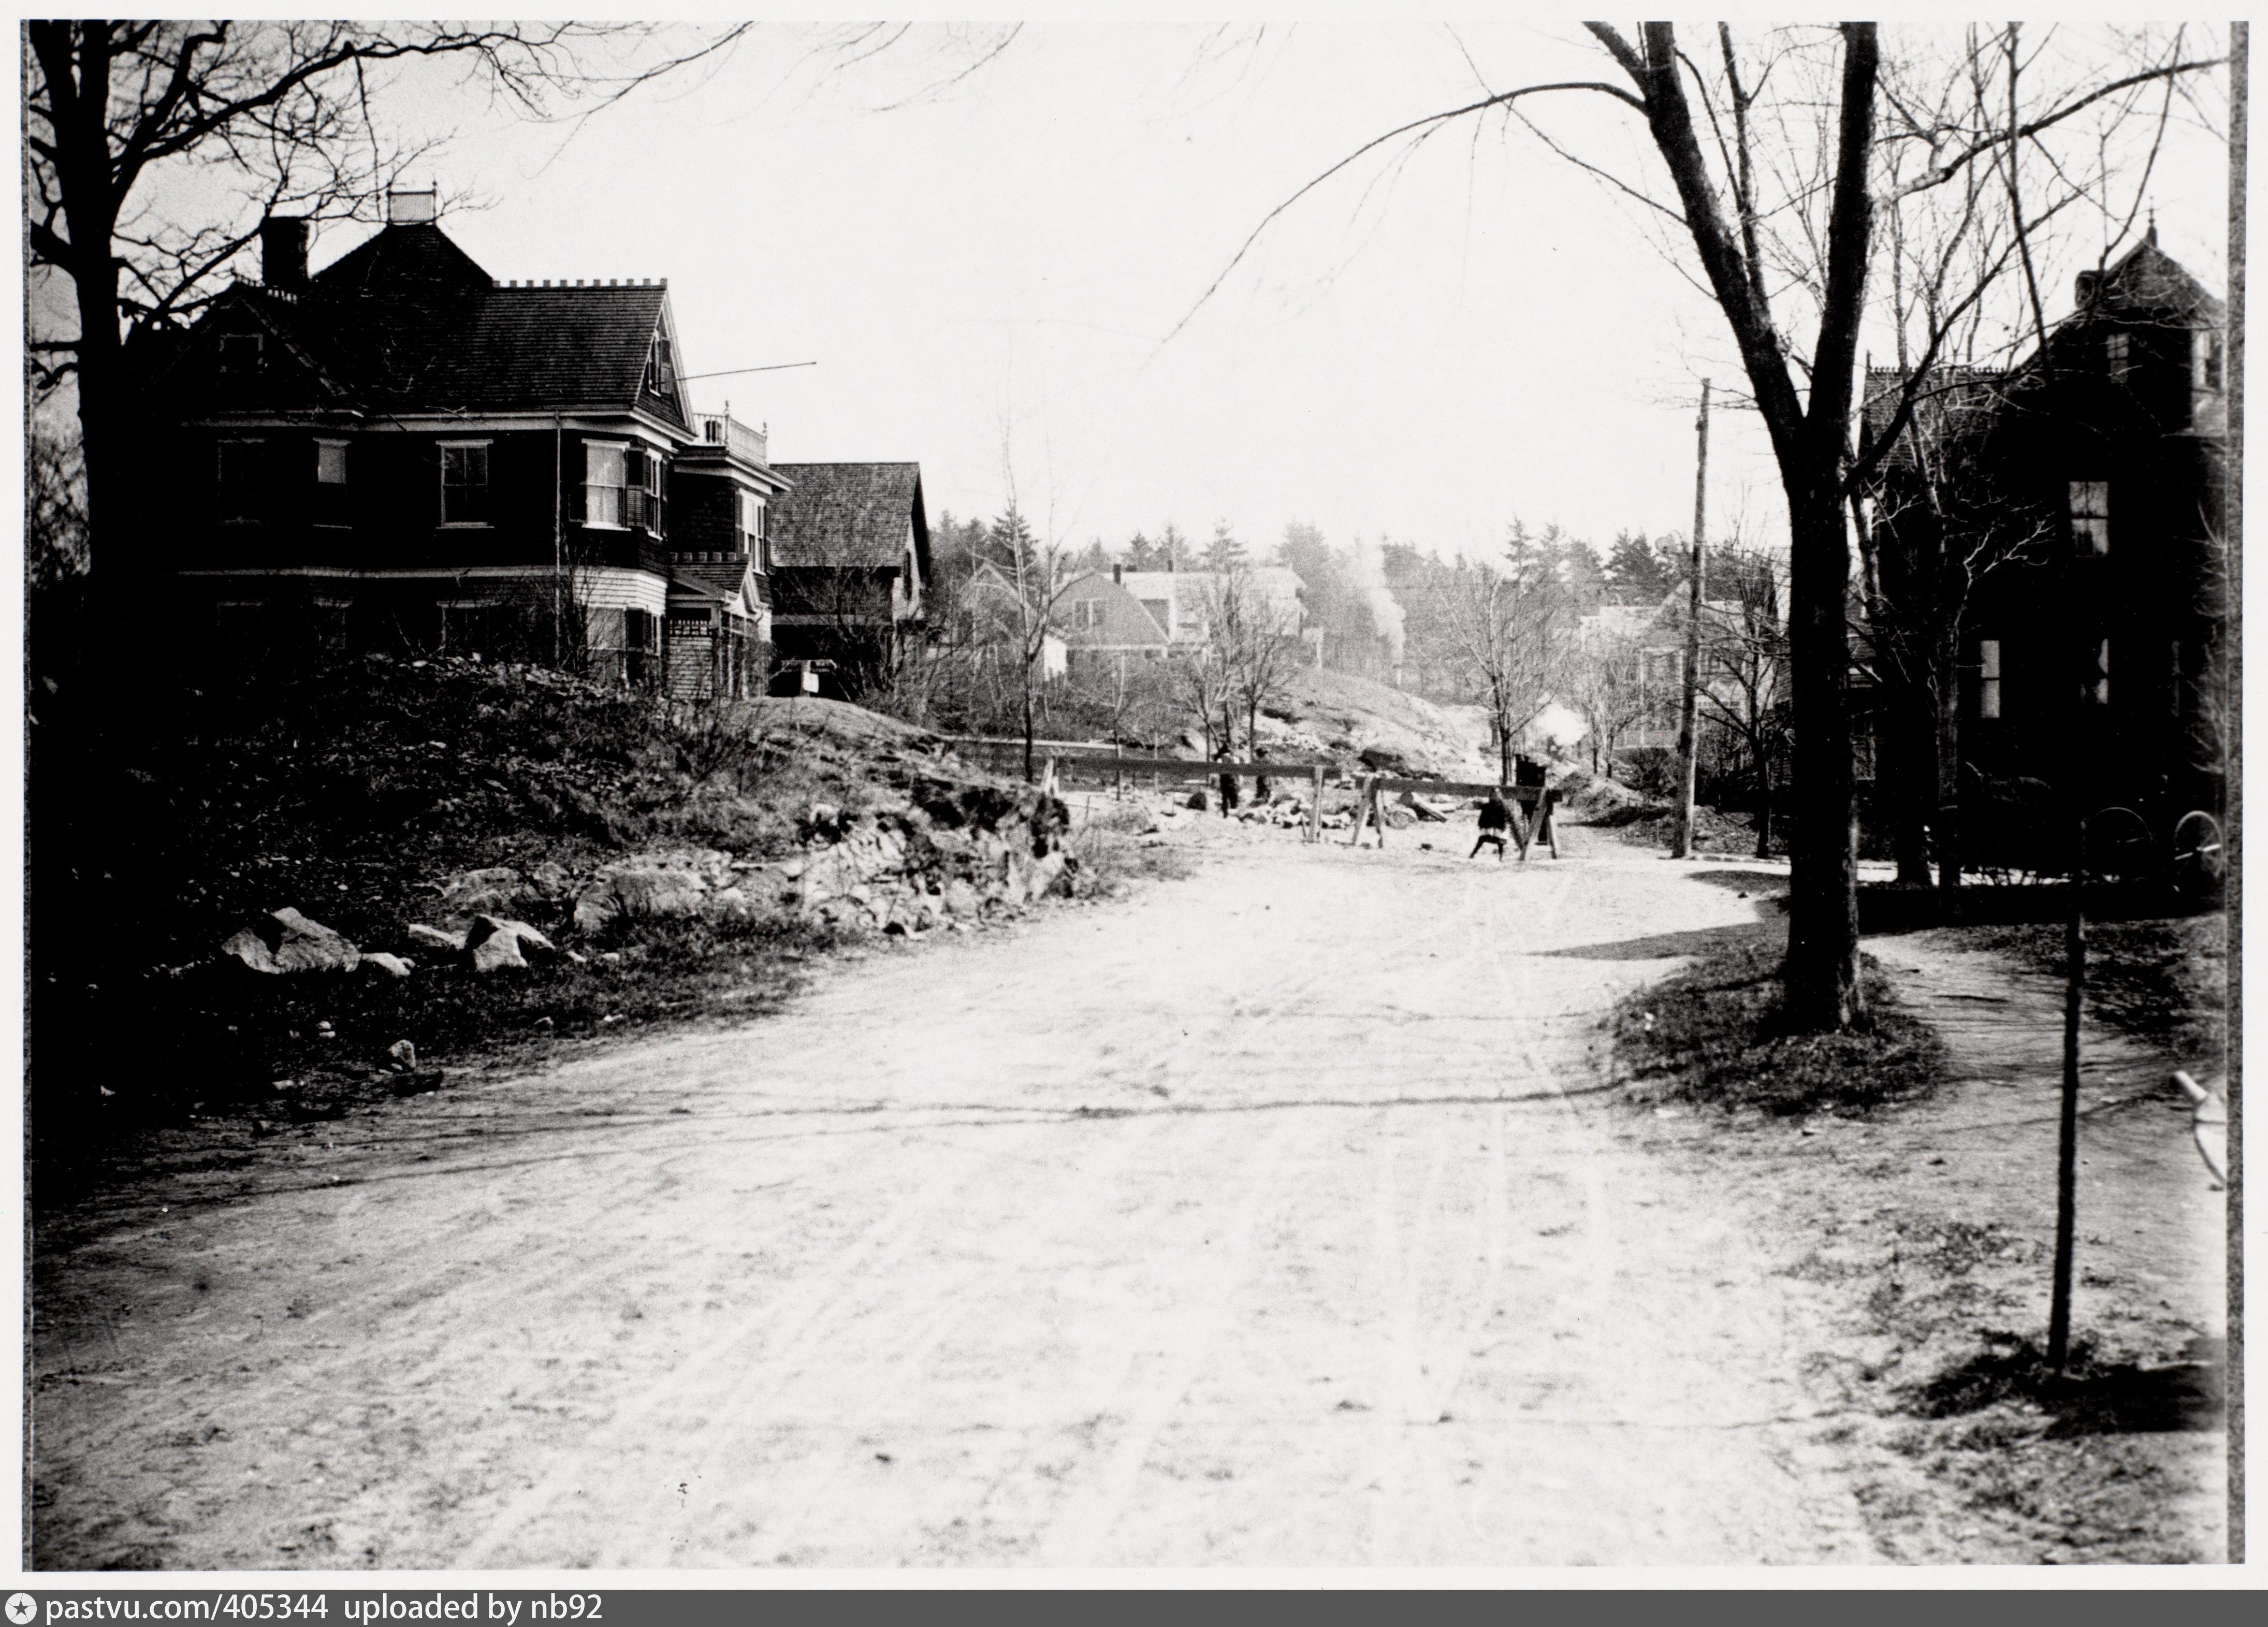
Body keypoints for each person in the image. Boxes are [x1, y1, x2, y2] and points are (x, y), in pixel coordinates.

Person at [1470, 791, 1511, 861]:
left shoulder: (1503, 807)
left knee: (1500, 843)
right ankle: (1473, 854)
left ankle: (1501, 856)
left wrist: (1503, 828)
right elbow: (1483, 817)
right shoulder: (1487, 806)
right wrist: (1482, 826)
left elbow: (1505, 819)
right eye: (1492, 796)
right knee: (1482, 839)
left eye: (1496, 796)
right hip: (1488, 827)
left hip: (1499, 828)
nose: (1494, 798)